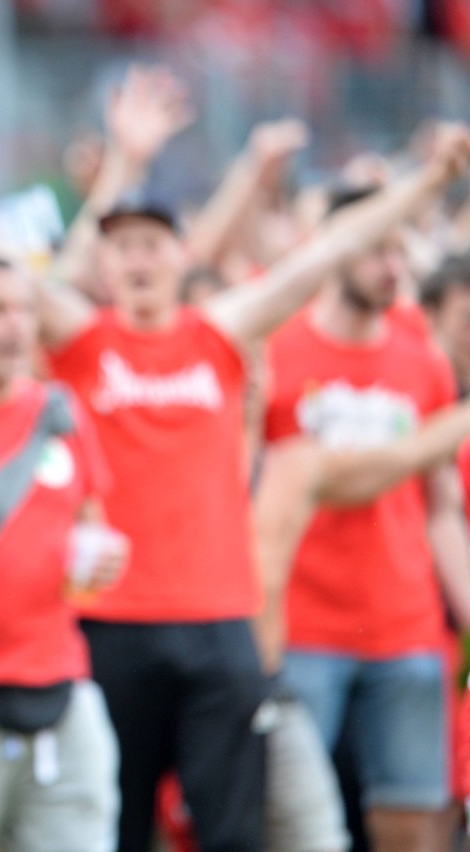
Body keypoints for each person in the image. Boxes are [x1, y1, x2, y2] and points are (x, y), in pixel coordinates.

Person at [31, 124, 470, 851]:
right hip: (112, 621)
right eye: (123, 246)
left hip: (219, 625)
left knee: (232, 830)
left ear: (184, 253)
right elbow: (29, 283)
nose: (139, 259)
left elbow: (325, 253)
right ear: (102, 261)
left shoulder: (220, 334)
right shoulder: (84, 340)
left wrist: (426, 184)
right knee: (117, 823)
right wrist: (119, 168)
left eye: (153, 243)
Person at [263, 182, 470, 851]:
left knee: (413, 824)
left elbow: (442, 511)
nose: (392, 266)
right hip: (301, 628)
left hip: (404, 629)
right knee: (293, 824)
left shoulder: (425, 362)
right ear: (334, 250)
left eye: (397, 251)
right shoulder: (277, 352)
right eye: (374, 249)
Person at [0, 257, 126, 852]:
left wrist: (102, 563)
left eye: (26, 308)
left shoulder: (59, 413)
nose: (16, 325)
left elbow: (93, 531)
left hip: (63, 693)